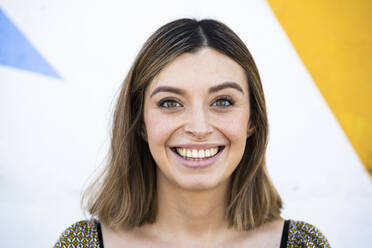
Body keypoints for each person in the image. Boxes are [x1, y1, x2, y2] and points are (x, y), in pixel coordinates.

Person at [54, 18, 331, 248]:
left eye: (222, 101)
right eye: (170, 103)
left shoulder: (302, 244)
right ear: (140, 122)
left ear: (252, 121)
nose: (199, 128)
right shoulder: (84, 244)